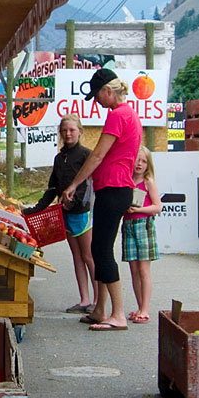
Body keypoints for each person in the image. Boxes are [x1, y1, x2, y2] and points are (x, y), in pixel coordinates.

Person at [61, 68, 144, 331]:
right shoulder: (128, 114)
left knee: (102, 250)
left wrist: (74, 183)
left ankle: (117, 314)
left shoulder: (118, 116)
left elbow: (96, 155)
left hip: (115, 187)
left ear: (109, 91)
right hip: (114, 187)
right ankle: (100, 309)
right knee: (99, 248)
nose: (96, 101)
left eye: (97, 95)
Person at [28, 114, 95, 313]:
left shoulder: (86, 155)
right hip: (63, 214)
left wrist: (72, 203)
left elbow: (88, 185)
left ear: (80, 131)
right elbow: (52, 188)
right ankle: (84, 299)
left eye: (72, 130)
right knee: (76, 257)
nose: (68, 134)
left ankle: (99, 300)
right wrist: (35, 209)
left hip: (81, 213)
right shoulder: (59, 158)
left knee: (89, 256)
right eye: (64, 130)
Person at [123, 145, 161, 323]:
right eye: (137, 160)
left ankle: (145, 309)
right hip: (128, 224)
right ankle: (139, 306)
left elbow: (157, 206)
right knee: (133, 269)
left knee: (144, 269)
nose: (139, 164)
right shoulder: (127, 181)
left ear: (148, 164)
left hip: (143, 224)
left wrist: (140, 209)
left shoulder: (148, 182)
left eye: (144, 161)